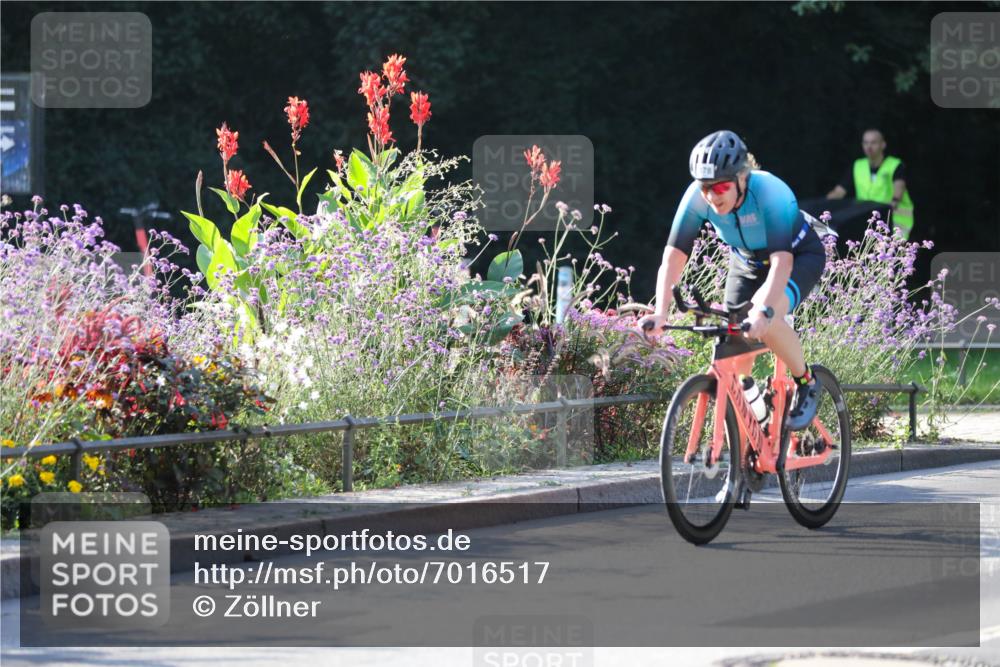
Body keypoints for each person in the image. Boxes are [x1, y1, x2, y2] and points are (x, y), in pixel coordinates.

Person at [637, 130, 827, 430]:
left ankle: (807, 381)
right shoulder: (696, 198)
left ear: (742, 177)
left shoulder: (769, 192)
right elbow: (674, 256)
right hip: (747, 262)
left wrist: (764, 310)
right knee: (733, 346)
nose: (712, 196)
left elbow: (782, 261)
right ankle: (749, 441)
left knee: (766, 317)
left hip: (797, 256)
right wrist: (661, 311)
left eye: (721, 186)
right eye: (705, 188)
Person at [826, 128, 914, 240]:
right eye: (866, 142)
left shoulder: (895, 165)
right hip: (868, 221)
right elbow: (839, 192)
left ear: (883, 145)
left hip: (894, 221)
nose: (869, 146)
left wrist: (894, 201)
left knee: (891, 255)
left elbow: (899, 187)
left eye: (873, 142)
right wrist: (824, 205)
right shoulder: (858, 165)